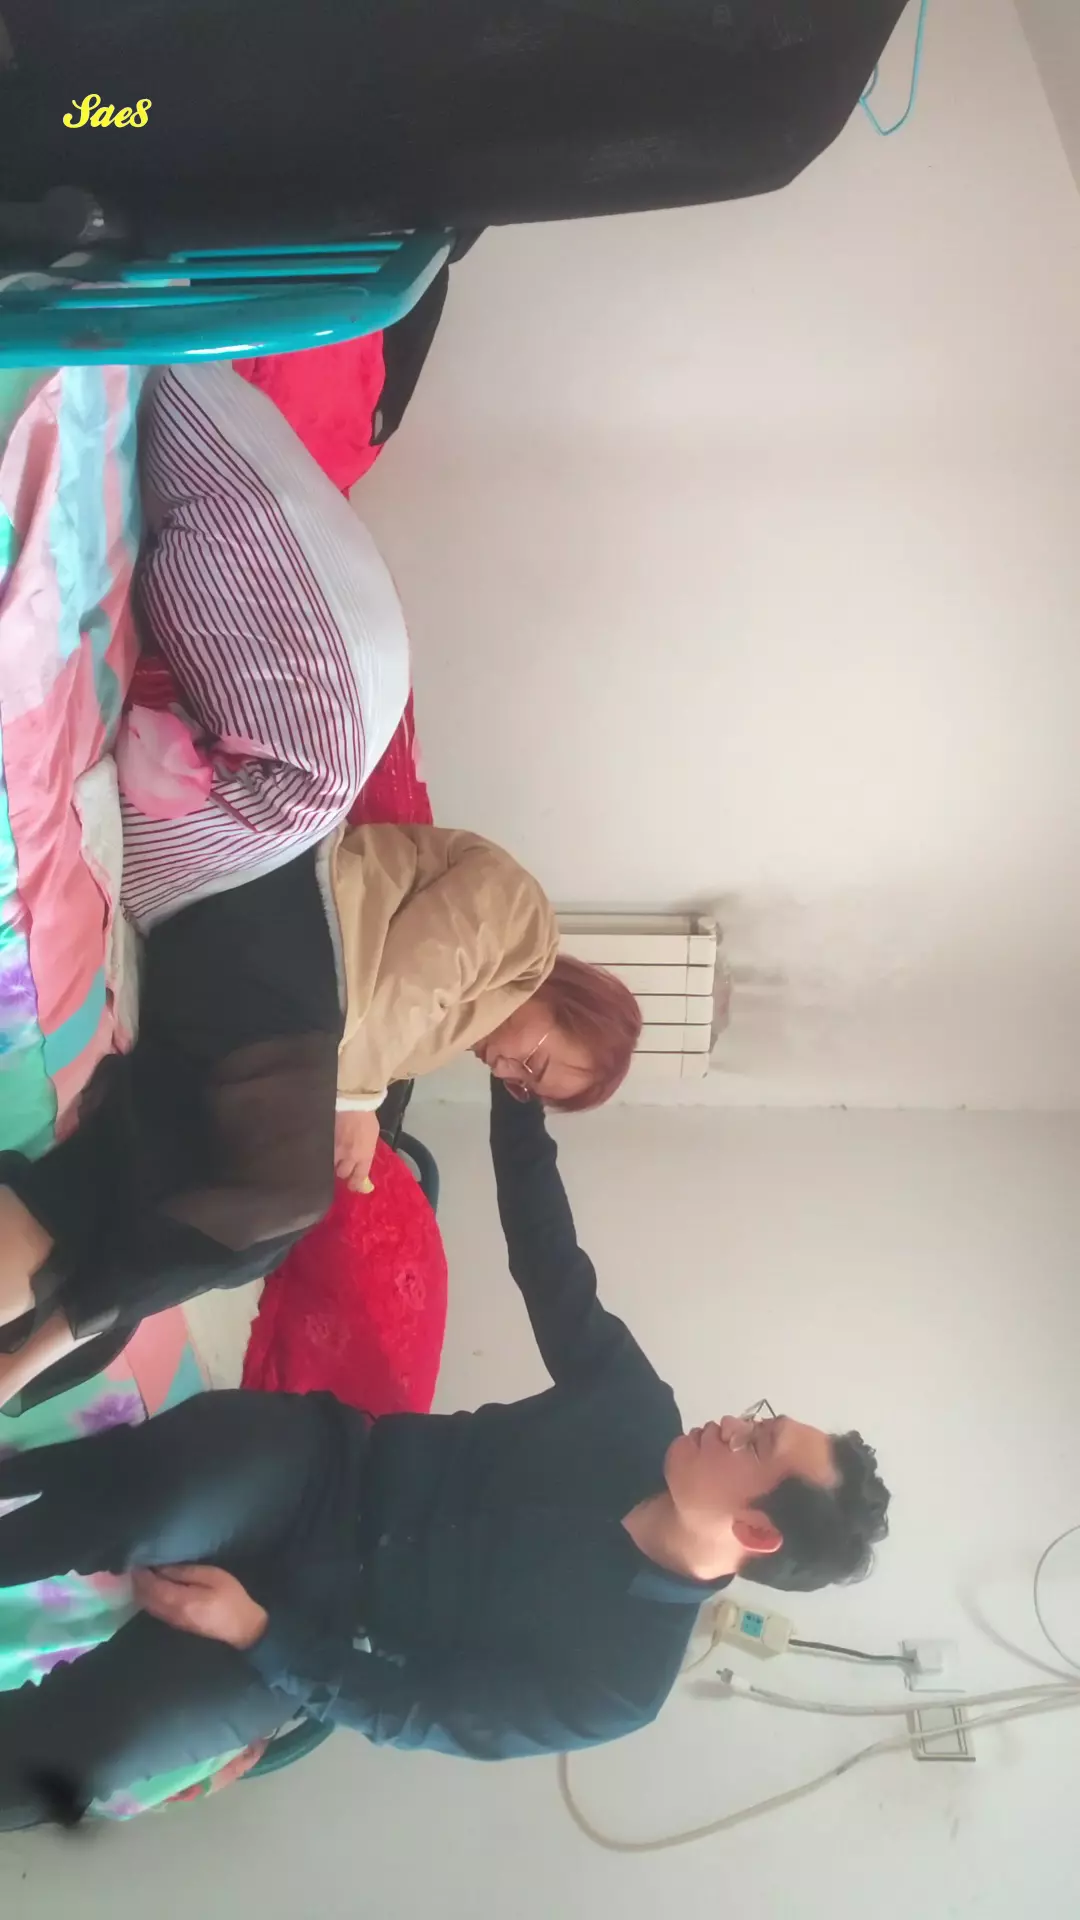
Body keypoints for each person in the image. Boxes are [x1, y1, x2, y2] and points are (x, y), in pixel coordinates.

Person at [0, 366, 642, 1409]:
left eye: (529, 1090)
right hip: (267, 875)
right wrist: (354, 1099)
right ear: (572, 1004)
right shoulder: (519, 930)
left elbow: (385, 1020)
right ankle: (52, 1333)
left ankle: (61, 1301)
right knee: (275, 1195)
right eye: (543, 1063)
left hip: (250, 928)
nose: (514, 1073)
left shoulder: (433, 1043)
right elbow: (408, 970)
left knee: (241, 1205)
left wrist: (359, 1098)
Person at [0, 1080, 891, 1826]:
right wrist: (518, 1094)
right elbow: (551, 1264)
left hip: (309, 1641)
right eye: (758, 1415)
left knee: (87, 1755)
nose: (732, 1422)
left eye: (756, 1443)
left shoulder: (623, 1682)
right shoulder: (634, 1410)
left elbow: (418, 1709)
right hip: (318, 1475)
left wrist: (257, 1633)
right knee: (153, 1504)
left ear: (756, 1531)